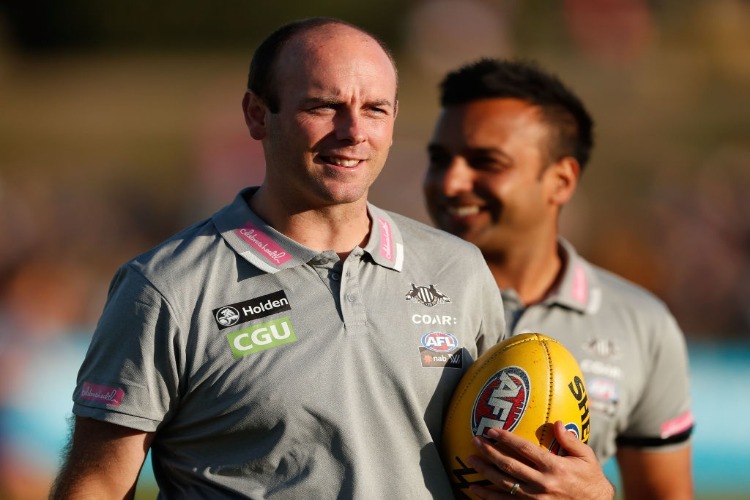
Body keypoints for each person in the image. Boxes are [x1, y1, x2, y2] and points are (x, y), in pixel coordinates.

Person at [49, 18, 508, 499]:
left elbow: (497, 458)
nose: (353, 131)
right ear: (257, 114)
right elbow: (96, 485)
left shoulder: (458, 270)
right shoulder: (165, 287)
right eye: (324, 106)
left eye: (375, 109)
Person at [423, 58, 694, 499]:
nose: (451, 182)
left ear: (561, 180)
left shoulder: (642, 324)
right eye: (439, 159)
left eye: (485, 162)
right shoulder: (385, 293)